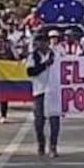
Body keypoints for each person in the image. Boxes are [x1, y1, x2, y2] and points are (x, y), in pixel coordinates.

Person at [27, 30, 61, 158]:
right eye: (38, 42)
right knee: (39, 121)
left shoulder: (56, 54)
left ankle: (53, 146)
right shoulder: (33, 56)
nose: (40, 44)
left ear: (47, 43)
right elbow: (30, 72)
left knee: (54, 120)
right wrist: (44, 65)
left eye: (43, 42)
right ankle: (41, 143)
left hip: (54, 91)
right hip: (39, 91)